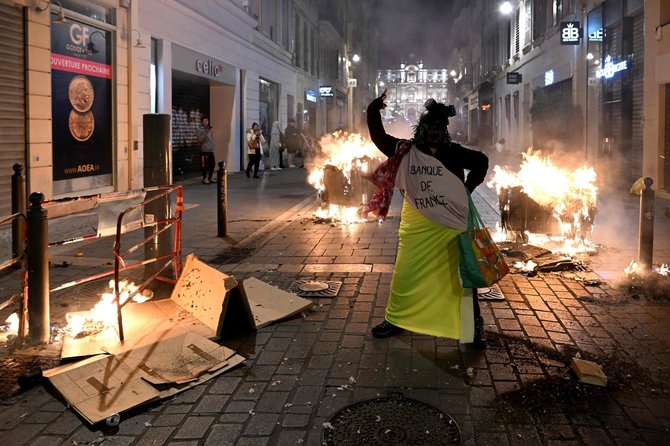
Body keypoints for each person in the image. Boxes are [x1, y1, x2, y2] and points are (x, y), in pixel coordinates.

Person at [364, 89, 489, 347]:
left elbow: (481, 161)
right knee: (405, 272)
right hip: (417, 224)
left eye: (439, 126)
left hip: (449, 224)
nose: (434, 130)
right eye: (429, 125)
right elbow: (379, 137)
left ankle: (473, 325)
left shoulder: (453, 152)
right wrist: (373, 110)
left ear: (444, 128)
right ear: (422, 127)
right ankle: (396, 319)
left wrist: (466, 189)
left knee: (460, 274)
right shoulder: (406, 151)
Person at [196, 116, 215, 184]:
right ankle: (204, 178)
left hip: (211, 150)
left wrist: (213, 145)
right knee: (204, 165)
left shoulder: (209, 129)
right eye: (204, 121)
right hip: (204, 150)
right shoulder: (199, 129)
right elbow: (200, 139)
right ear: (201, 122)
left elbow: (211, 139)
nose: (205, 122)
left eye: (206, 121)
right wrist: (206, 132)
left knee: (212, 164)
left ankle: (210, 177)